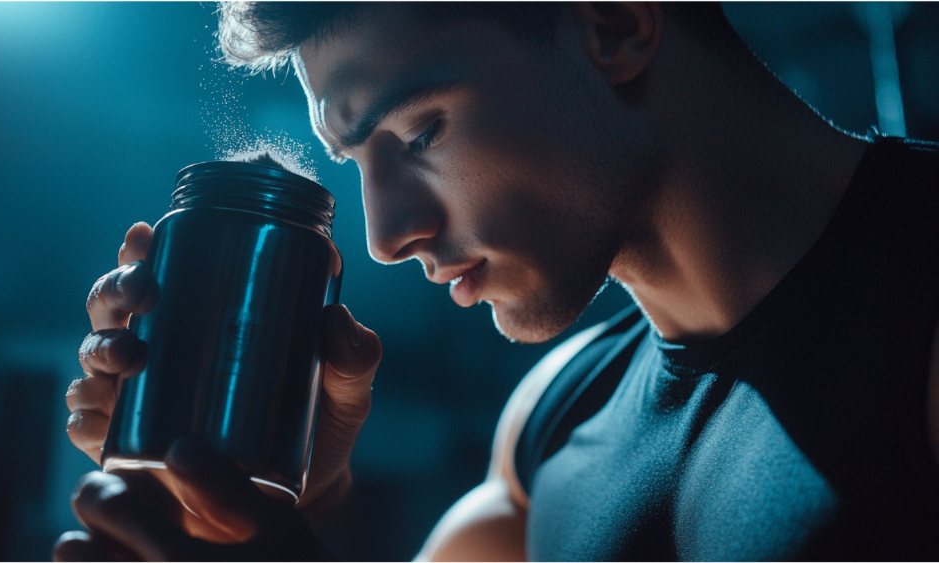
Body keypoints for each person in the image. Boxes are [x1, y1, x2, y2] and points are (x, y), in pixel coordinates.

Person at [55, 2, 939, 562]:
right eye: (356, 160)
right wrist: (281, 496)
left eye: (421, 132)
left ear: (613, 26)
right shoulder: (556, 418)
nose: (388, 235)